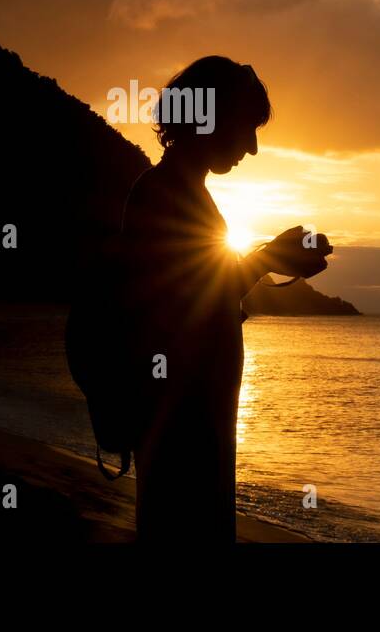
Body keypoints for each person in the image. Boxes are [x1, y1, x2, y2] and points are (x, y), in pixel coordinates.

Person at [120, 56, 331, 542]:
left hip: (194, 423)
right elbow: (178, 308)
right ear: (208, 116)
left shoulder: (178, 191)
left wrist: (269, 259)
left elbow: (197, 298)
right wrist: (266, 259)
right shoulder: (167, 194)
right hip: (184, 428)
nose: (253, 148)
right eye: (247, 127)